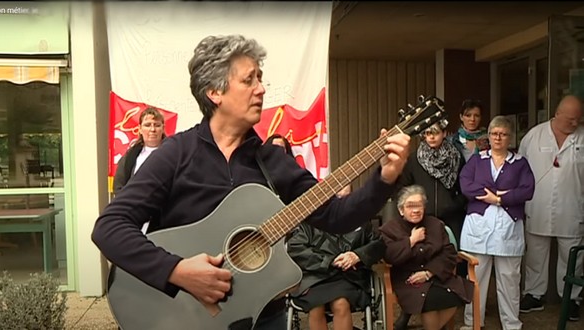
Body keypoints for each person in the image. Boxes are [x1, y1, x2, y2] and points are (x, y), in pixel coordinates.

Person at [91, 34, 411, 330]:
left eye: (260, 78)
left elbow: (338, 216)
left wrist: (384, 178)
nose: (261, 88)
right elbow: (109, 227)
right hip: (180, 315)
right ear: (214, 92)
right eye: (249, 80)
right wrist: (177, 272)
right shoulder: (176, 154)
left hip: (261, 317)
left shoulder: (272, 161)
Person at [459, 115, 535, 330]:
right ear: (488, 136)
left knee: (509, 280)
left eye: (503, 134)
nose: (498, 138)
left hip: (508, 227)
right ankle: (472, 322)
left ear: (510, 138)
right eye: (494, 133)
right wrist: (491, 195)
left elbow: (527, 190)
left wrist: (501, 199)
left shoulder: (520, 163)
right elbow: (465, 185)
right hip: (479, 228)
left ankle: (512, 325)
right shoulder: (477, 160)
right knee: (476, 279)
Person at [393, 121, 468, 330]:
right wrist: (411, 209)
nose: (431, 137)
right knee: (417, 259)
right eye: (427, 133)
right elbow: (402, 188)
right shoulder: (415, 159)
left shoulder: (456, 157)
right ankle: (407, 312)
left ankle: (441, 308)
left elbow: (465, 186)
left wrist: (454, 204)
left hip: (450, 217)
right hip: (420, 218)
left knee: (445, 258)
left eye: (436, 133)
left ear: (445, 133)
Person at [518, 94, 584, 322]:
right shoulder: (534, 136)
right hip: (537, 205)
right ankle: (534, 294)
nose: (575, 124)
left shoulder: (583, 137)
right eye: (571, 119)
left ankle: (571, 298)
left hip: (573, 206)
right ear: (557, 114)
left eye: (578, 120)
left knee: (572, 256)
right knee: (535, 253)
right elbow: (520, 169)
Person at [286, 185, 386, 330]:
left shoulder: (362, 221)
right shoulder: (310, 222)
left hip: (349, 276)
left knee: (341, 304)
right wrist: (328, 261)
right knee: (316, 308)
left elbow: (379, 245)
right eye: (336, 197)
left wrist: (357, 255)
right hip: (316, 276)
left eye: (346, 198)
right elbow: (295, 248)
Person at [379, 184, 473, 330]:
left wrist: (429, 272)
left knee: (459, 294)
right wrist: (410, 241)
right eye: (410, 206)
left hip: (436, 274)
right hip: (408, 279)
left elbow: (449, 252)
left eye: (419, 205)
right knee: (429, 302)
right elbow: (390, 256)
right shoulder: (389, 229)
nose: (416, 210)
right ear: (401, 210)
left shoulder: (435, 224)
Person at [112, 107, 167, 195]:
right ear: (140, 129)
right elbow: (119, 186)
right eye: (147, 125)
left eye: (157, 125)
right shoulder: (130, 157)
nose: (152, 130)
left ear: (163, 128)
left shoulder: (172, 154)